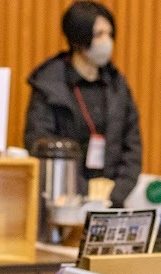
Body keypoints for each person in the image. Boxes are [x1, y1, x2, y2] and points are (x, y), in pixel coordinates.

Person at [24, 1, 142, 207]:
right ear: (78, 38)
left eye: (110, 34)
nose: (107, 42)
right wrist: (85, 191)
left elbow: (132, 146)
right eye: (99, 35)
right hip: (60, 201)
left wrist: (115, 191)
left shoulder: (117, 85)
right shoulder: (48, 84)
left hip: (112, 201)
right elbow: (39, 144)